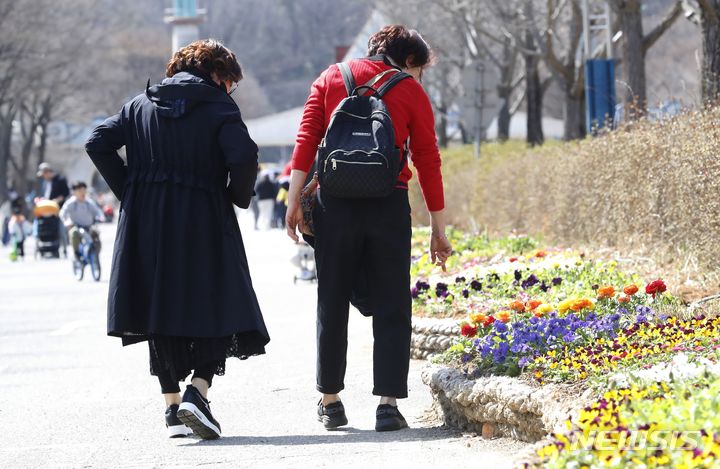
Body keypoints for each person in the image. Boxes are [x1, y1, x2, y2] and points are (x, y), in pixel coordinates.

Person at [84, 39, 269, 440]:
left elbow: (97, 141)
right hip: (202, 214)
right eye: (229, 82)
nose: (229, 89)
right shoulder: (219, 106)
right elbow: (242, 156)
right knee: (216, 297)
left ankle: (172, 408)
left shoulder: (138, 105)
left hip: (145, 221)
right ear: (217, 73)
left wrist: (131, 189)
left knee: (158, 304)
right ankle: (197, 393)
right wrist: (237, 196)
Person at [286, 25, 453, 432]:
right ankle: (388, 405)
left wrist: (293, 201)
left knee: (332, 298)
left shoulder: (331, 78)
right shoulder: (410, 91)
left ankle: (330, 400)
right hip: (387, 205)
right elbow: (428, 159)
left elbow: (307, 138)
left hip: (334, 204)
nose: (421, 77)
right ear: (409, 60)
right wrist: (437, 226)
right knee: (393, 302)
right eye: (422, 69)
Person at [59, 182, 104, 260]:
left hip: (89, 227)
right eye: (80, 191)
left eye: (84, 191)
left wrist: (100, 217)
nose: (82, 193)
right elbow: (62, 213)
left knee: (96, 236)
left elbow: (98, 211)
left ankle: (95, 255)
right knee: (73, 233)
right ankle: (77, 255)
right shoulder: (71, 203)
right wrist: (66, 221)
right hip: (76, 226)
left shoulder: (89, 202)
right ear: (75, 192)